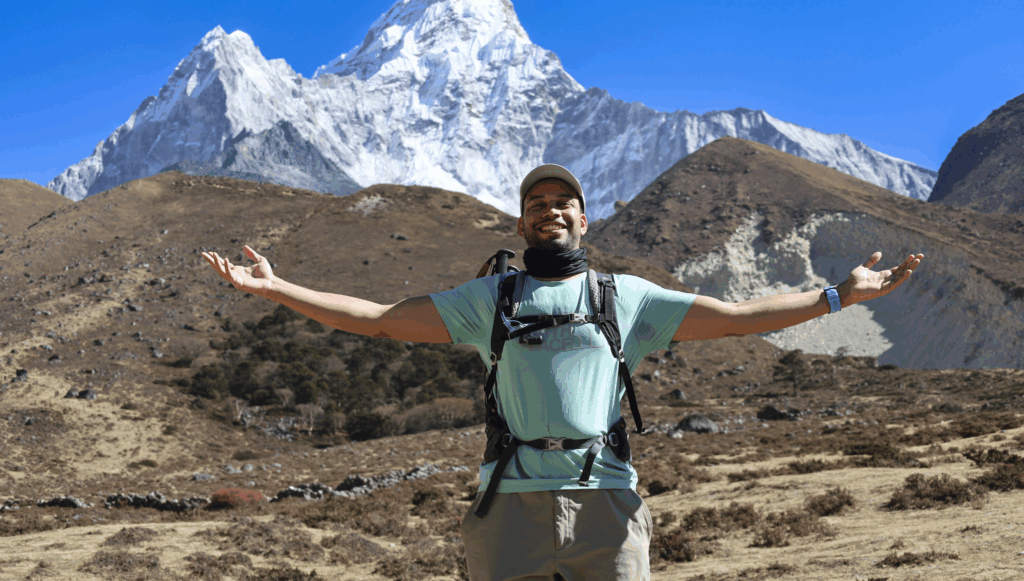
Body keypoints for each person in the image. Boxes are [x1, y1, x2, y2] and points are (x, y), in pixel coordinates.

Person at [202, 164, 923, 581]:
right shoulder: (491, 298)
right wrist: (275, 287)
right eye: (537, 204)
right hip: (507, 506)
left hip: (607, 505)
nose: (551, 211)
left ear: (584, 220)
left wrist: (839, 295)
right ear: (521, 224)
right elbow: (380, 316)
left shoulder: (624, 296)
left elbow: (737, 316)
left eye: (563, 203)